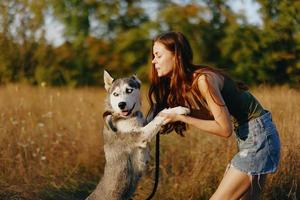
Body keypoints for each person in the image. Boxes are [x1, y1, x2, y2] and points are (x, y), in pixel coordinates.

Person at [147, 31, 281, 200]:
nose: (154, 61)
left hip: (258, 139)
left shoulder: (204, 80)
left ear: (176, 55)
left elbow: (225, 129)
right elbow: (217, 117)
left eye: (158, 55)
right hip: (255, 136)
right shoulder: (193, 81)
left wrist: (182, 117)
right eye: (153, 56)